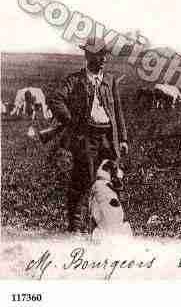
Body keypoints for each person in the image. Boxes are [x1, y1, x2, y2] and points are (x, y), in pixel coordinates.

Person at [48, 36, 128, 233]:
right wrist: (71, 121)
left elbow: (118, 112)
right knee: (82, 183)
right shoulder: (76, 80)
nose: (104, 59)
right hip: (86, 139)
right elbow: (55, 99)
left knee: (112, 183)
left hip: (109, 139)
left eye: (105, 55)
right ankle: (75, 228)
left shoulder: (110, 81)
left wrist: (123, 139)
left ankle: (104, 228)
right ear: (88, 56)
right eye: (99, 55)